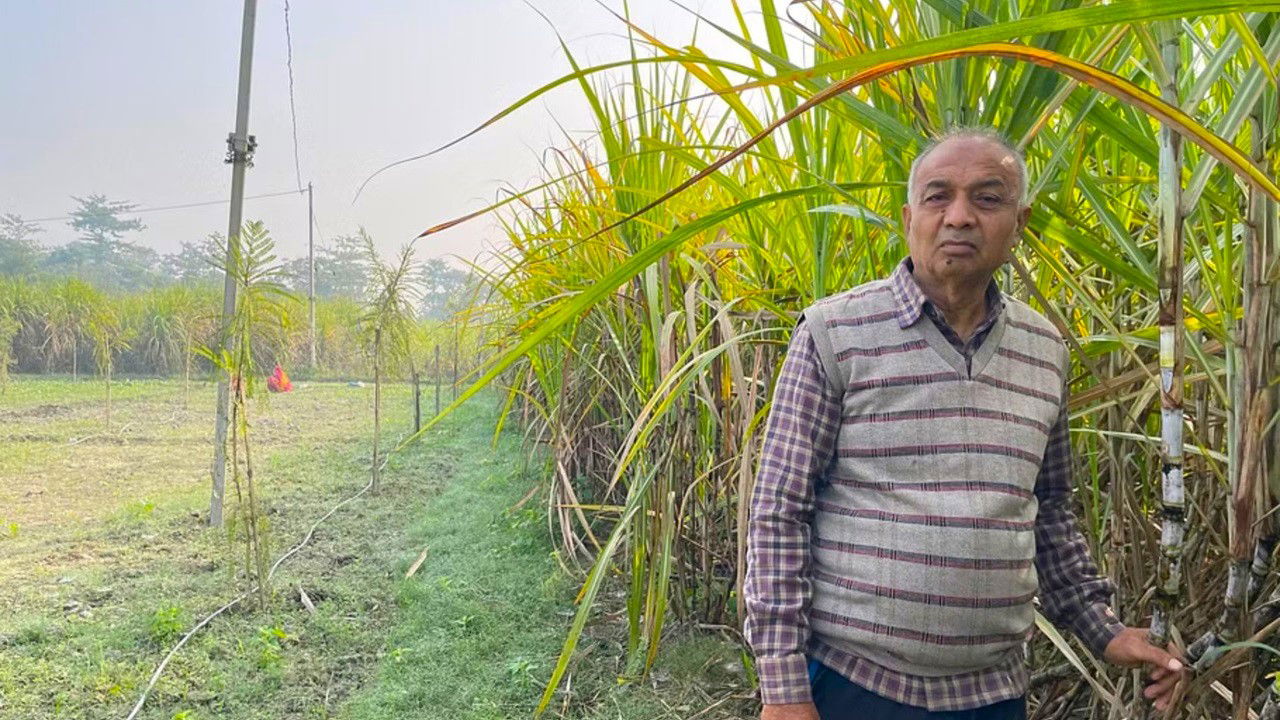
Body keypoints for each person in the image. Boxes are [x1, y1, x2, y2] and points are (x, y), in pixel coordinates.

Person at [743, 128, 1187, 720]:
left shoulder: (1043, 350)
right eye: (938, 197)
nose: (960, 217)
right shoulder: (835, 334)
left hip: (992, 694)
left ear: (1019, 221)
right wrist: (783, 688)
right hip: (851, 683)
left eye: (987, 198)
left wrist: (1106, 631)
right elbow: (779, 510)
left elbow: (1049, 510)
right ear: (909, 217)